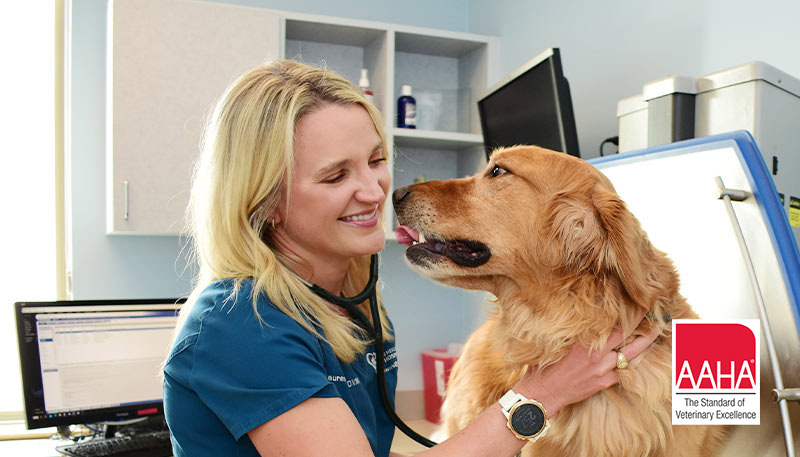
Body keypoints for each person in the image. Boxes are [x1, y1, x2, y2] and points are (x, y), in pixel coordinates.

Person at [162, 60, 661, 457]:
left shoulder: (351, 307)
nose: (376, 191)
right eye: (336, 176)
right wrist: (543, 394)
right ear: (265, 202)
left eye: (377, 161)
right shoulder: (240, 324)